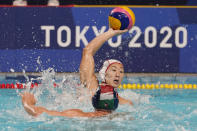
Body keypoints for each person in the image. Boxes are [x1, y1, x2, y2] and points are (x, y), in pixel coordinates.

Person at [20, 28, 133, 118]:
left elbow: (37, 112)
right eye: (113, 70)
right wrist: (111, 32)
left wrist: (27, 102)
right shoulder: (92, 87)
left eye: (121, 71)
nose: (118, 74)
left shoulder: (78, 114)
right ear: (104, 73)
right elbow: (88, 51)